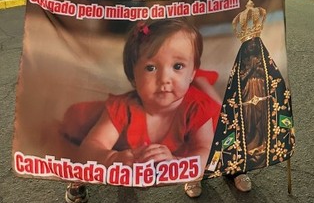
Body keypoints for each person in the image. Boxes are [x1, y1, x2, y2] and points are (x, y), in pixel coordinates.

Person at [10, 0, 158, 203]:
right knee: (80, 94)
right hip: (80, 26)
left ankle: (122, 162)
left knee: (123, 93)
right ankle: (78, 174)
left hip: (123, 24)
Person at [178, 0, 290, 198]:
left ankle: (235, 166)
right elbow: (184, 6)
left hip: (238, 44)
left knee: (237, 106)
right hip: (204, 45)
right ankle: (196, 170)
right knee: (204, 108)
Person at [78, 19, 218, 171]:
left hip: (211, 114)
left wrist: (176, 163)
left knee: (228, 116)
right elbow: (88, 150)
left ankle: (201, 81)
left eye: (178, 66)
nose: (164, 79)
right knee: (76, 120)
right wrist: (112, 158)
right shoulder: (123, 108)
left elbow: (209, 154)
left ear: (191, 73)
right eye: (150, 68)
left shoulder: (198, 107)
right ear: (133, 77)